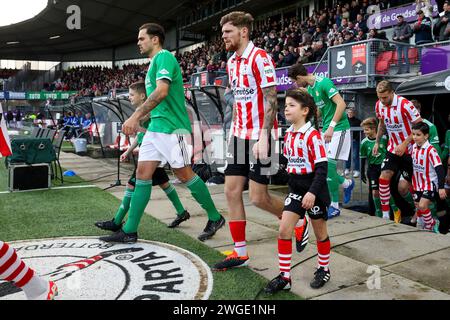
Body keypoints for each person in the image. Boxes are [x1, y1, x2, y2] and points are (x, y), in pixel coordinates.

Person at [102, 23, 225, 243]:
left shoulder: (165, 57)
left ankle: (215, 217)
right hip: (156, 128)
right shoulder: (152, 66)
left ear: (155, 39)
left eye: (141, 38)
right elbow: (158, 103)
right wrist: (141, 122)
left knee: (184, 174)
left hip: (171, 129)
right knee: (142, 174)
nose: (138, 42)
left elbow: (162, 92)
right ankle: (129, 230)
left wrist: (135, 116)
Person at [212, 11, 288, 271]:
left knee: (258, 198)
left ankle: (295, 221)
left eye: (228, 32)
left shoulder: (260, 57)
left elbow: (271, 100)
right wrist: (233, 129)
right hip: (239, 136)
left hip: (262, 137)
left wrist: (265, 137)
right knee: (231, 192)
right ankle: (240, 253)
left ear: (243, 31)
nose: (224, 37)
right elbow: (239, 100)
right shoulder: (231, 62)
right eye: (222, 33)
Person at [95, 81, 190, 233]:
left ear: (142, 95)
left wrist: (138, 127)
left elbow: (156, 134)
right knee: (164, 184)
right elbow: (142, 135)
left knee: (132, 185)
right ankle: (181, 212)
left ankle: (118, 221)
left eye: (132, 94)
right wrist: (128, 151)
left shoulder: (151, 110)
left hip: (152, 156)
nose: (129, 97)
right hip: (150, 156)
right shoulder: (141, 111)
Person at [264, 88, 331, 294]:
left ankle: (323, 269)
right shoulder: (289, 133)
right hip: (296, 188)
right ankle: (285, 277)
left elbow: (322, 168)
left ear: (305, 111)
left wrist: (312, 193)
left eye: (292, 105)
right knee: (284, 229)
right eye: (286, 106)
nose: (287, 109)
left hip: (314, 190)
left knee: (321, 233)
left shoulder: (312, 135)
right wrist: (267, 158)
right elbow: (288, 159)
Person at [288, 63, 355, 219]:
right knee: (324, 167)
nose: (296, 85)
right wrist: (310, 126)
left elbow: (341, 104)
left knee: (330, 165)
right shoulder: (311, 89)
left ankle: (334, 206)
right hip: (326, 130)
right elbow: (320, 110)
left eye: (295, 81)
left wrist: (331, 126)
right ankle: (346, 184)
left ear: (299, 78)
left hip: (339, 128)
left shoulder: (324, 82)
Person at [373, 80, 423, 222]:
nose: (382, 101)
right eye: (379, 97)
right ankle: (385, 215)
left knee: (404, 188)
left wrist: (405, 143)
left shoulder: (405, 104)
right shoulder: (379, 105)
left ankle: (418, 211)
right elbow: (382, 124)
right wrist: (377, 142)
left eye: (385, 97)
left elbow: (420, 125)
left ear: (392, 93)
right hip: (393, 149)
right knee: (384, 176)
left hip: (410, 150)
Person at [360, 117, 401, 218]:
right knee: (375, 192)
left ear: (374, 129)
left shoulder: (384, 139)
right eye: (364, 129)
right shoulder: (364, 142)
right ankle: (378, 213)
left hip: (383, 167)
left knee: (385, 190)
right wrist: (362, 172)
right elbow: (362, 158)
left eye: (366, 129)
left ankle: (395, 209)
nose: (364, 132)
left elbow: (390, 152)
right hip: (372, 169)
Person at [411, 122, 447, 232]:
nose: (415, 137)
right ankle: (423, 223)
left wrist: (441, 187)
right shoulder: (413, 147)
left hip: (429, 183)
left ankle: (431, 224)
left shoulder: (431, 150)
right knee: (418, 206)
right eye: (413, 134)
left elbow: (439, 169)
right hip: (417, 183)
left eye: (418, 135)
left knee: (422, 205)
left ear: (426, 136)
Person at [345, 108, 361, 178]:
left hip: (355, 141)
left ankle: (356, 170)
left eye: (351, 112)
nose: (349, 114)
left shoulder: (358, 121)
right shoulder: (345, 121)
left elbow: (359, 131)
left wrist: (355, 139)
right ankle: (347, 169)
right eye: (348, 112)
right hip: (346, 141)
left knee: (355, 155)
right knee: (347, 156)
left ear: (354, 113)